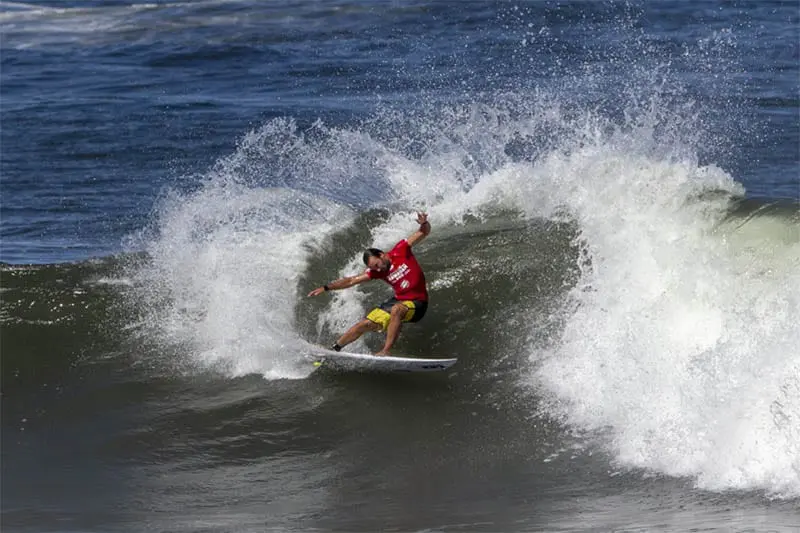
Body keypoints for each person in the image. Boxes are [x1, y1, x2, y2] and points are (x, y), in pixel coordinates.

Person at [308, 212, 431, 356]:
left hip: (418, 303)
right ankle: (334, 349)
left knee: (396, 310)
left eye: (377, 264)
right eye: (374, 268)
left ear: (381, 254)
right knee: (364, 324)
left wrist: (424, 223)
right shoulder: (377, 272)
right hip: (399, 301)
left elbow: (423, 232)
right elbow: (351, 281)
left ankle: (386, 351)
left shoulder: (401, 250)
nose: (377, 269)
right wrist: (326, 287)